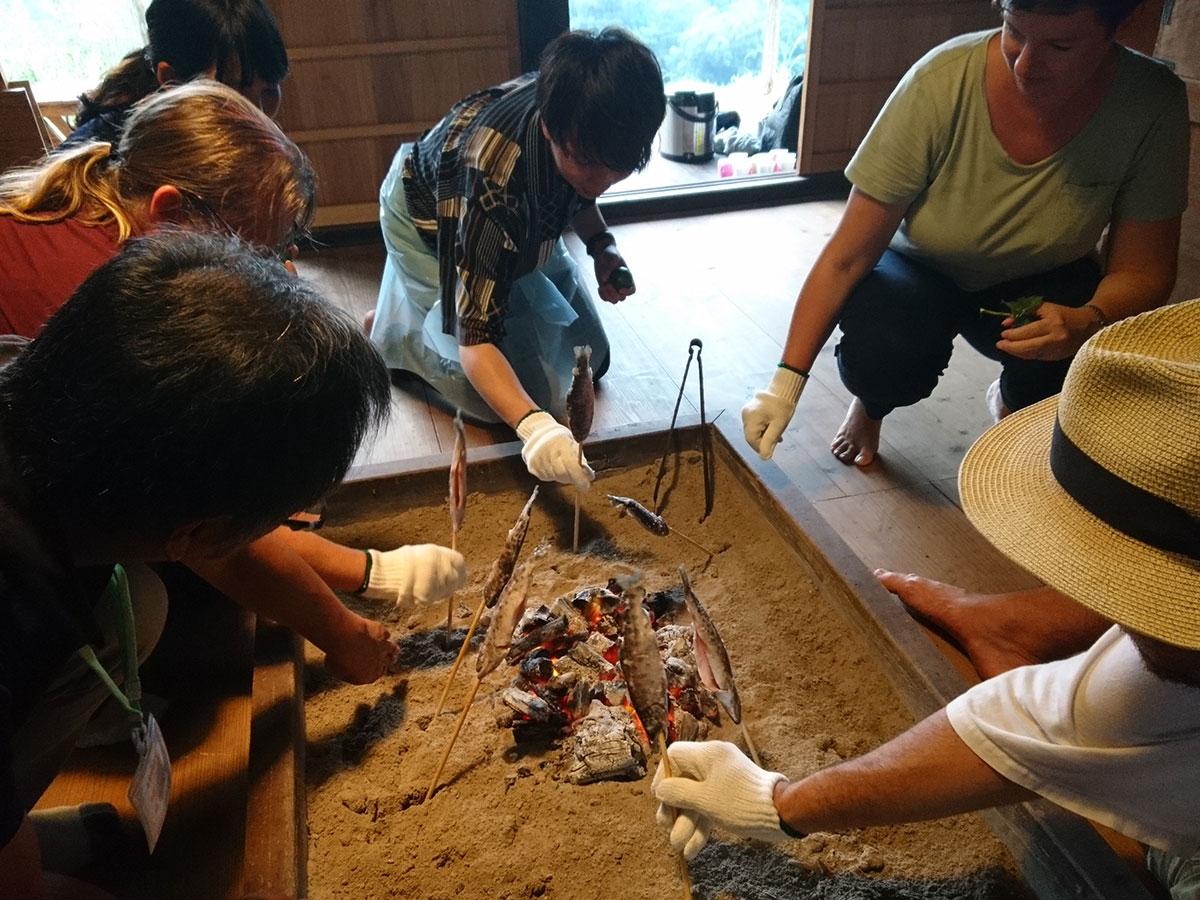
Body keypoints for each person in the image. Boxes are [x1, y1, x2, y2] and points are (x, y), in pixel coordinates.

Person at [653, 298, 1200, 898]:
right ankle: (1012, 626)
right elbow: (1036, 725)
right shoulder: (1162, 676)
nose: (1091, 586)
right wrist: (779, 803)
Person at [0, 232, 394, 898]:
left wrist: (346, 635)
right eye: (275, 516)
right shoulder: (17, 603)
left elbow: (230, 557)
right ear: (198, 529)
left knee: (134, 607)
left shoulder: (38, 397)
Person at [0, 80, 468, 614]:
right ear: (171, 214)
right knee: (154, 601)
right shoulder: (100, 304)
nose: (269, 272)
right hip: (25, 541)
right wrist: (365, 578)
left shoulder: (107, 213)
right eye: (252, 252)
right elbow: (187, 515)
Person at [741, 0, 1188, 468]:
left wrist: (1088, 320)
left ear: (1112, 32)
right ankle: (871, 405)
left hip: (1040, 279)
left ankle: (1015, 404)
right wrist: (783, 387)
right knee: (884, 350)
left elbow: (1145, 269)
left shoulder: (1150, 102)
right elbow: (846, 257)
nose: (1027, 65)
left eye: (1059, 45)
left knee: (1076, 366)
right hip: (918, 268)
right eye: (1015, 32)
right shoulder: (942, 80)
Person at [367, 27, 665, 491]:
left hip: (524, 229)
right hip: (430, 217)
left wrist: (603, 247)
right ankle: (397, 330)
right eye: (588, 163)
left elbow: (583, 191)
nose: (603, 179)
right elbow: (476, 339)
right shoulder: (493, 180)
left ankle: (414, 309)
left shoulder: (581, 113)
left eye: (618, 167)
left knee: (592, 359)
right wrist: (535, 429)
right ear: (549, 128)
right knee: (504, 402)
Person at [61, 0, 288, 149]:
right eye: (234, 96)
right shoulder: (111, 152)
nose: (259, 119)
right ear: (171, 79)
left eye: (269, 91)